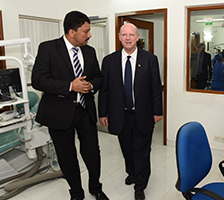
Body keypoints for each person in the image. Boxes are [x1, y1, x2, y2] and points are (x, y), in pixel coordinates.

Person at [31, 11, 109, 200]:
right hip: (59, 113)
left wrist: (90, 86)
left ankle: (95, 187)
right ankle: (76, 192)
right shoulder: (48, 49)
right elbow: (38, 80)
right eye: (86, 31)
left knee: (92, 152)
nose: (89, 35)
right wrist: (69, 86)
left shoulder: (89, 51)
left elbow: (98, 77)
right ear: (72, 32)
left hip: (85, 111)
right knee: (67, 156)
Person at [98, 23, 163, 200]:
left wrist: (158, 111)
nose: (127, 38)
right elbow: (104, 90)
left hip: (143, 114)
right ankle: (132, 172)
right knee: (127, 149)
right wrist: (102, 113)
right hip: (120, 115)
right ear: (119, 37)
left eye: (131, 35)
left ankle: (140, 186)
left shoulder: (150, 59)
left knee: (142, 150)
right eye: (124, 35)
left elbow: (156, 88)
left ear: (137, 38)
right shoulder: (109, 61)